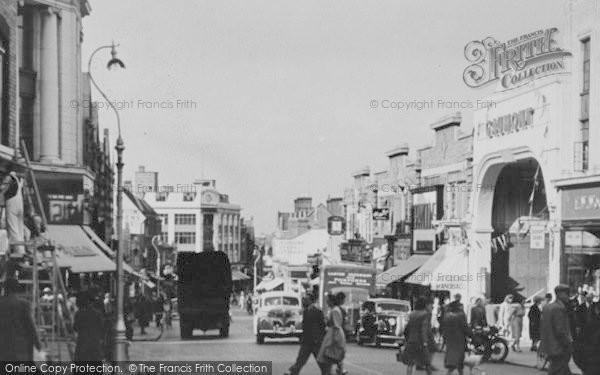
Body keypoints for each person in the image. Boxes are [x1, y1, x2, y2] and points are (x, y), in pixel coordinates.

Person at [285, 293, 326, 375]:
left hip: (315, 341)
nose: (303, 301)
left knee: (321, 361)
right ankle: (293, 372)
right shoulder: (306, 311)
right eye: (303, 299)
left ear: (311, 301)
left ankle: (328, 372)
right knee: (301, 359)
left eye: (305, 299)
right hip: (307, 340)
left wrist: (320, 338)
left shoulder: (317, 311)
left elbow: (322, 325)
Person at [0, 278, 41, 361]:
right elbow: (30, 326)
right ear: (17, 289)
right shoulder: (23, 304)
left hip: (3, 347)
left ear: (5, 288)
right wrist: (37, 344)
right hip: (20, 348)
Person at [541, 284, 573, 375]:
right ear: (559, 294)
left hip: (550, 346)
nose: (569, 296)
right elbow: (560, 331)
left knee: (561, 370)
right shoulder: (558, 308)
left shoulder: (547, 307)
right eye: (567, 293)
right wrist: (568, 344)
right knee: (557, 370)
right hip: (559, 348)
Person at [73, 291, 105, 371]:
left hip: (82, 343)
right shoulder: (98, 314)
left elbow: (75, 328)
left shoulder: (79, 313)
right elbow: (102, 328)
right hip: (94, 343)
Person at [403, 297, 435, 375]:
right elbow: (424, 329)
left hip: (411, 341)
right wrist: (425, 342)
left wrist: (407, 339)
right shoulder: (425, 314)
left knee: (410, 363)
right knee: (427, 363)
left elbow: (407, 329)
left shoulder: (412, 314)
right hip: (420, 342)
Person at [317, 293, 347, 375]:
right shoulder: (334, 309)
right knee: (328, 359)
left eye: (328, 301)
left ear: (331, 301)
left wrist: (335, 340)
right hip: (333, 334)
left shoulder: (334, 310)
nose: (327, 302)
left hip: (333, 335)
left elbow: (336, 325)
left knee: (327, 358)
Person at [442, 301, 472, 375]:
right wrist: (472, 336)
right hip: (459, 341)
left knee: (456, 363)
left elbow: (444, 328)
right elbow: (465, 327)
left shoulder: (447, 316)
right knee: (457, 362)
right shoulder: (460, 316)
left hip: (450, 341)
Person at [579, 302, 600, 375]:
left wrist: (583, 365)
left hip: (591, 363)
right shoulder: (591, 325)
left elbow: (579, 346)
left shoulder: (590, 325)